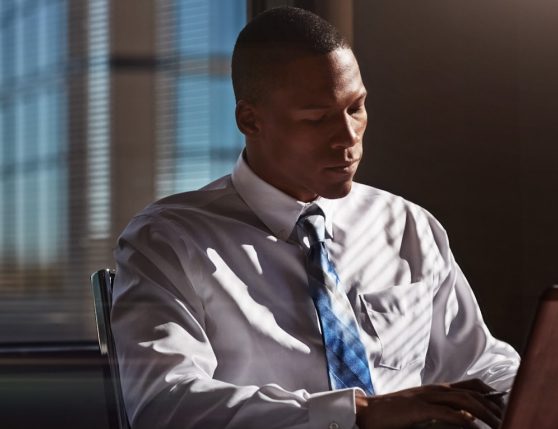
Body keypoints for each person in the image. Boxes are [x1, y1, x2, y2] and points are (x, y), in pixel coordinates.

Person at [112, 6, 520, 429]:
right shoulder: (169, 239)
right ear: (250, 119)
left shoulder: (406, 225)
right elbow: (166, 405)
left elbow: (478, 363)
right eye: (318, 117)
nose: (348, 138)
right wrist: (359, 416)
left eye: (356, 108)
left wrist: (550, 388)